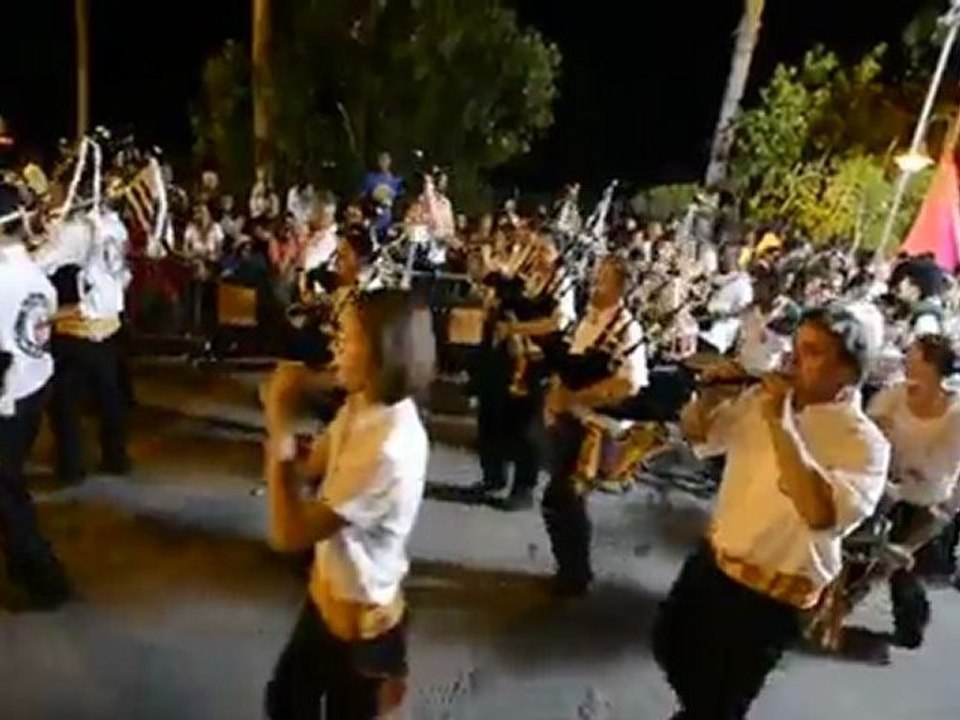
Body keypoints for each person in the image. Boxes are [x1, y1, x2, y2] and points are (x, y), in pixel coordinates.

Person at [654, 304, 890, 719]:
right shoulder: (762, 399)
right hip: (716, 557)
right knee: (668, 644)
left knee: (723, 697)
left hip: (772, 592)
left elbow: (819, 514)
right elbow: (700, 436)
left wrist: (782, 423)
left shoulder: (865, 444)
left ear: (848, 374)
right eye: (795, 347)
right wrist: (708, 398)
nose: (792, 360)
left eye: (813, 352)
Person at [262, 289, 434, 720]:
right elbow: (311, 467)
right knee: (286, 701)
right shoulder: (362, 403)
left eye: (348, 337)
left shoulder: (388, 445)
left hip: (361, 626)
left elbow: (289, 534)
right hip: (327, 597)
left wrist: (280, 419)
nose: (335, 344)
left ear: (381, 354)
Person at [541, 256, 648, 595]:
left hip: (593, 427)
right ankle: (570, 568)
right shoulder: (588, 321)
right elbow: (567, 362)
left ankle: (576, 574)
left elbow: (627, 384)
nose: (593, 283)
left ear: (619, 289)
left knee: (565, 498)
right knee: (562, 500)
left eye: (602, 279)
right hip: (570, 420)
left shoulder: (626, 329)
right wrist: (556, 398)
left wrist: (578, 399)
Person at [0, 183, 71, 608]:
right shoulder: (35, 274)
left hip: (7, 398)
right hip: (33, 389)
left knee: (7, 492)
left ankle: (45, 578)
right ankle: (21, 562)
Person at [866, 334, 960, 649]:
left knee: (905, 570)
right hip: (887, 488)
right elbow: (870, 425)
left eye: (914, 355)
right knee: (865, 556)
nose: (906, 358)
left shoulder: (955, 412)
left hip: (927, 500)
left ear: (931, 366)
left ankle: (911, 623)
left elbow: (944, 466)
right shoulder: (895, 393)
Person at [32, 194, 133, 485]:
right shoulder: (114, 225)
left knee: (65, 404)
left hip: (79, 326)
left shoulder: (78, 230)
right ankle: (116, 457)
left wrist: (42, 237)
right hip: (109, 323)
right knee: (110, 399)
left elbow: (42, 263)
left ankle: (71, 467)